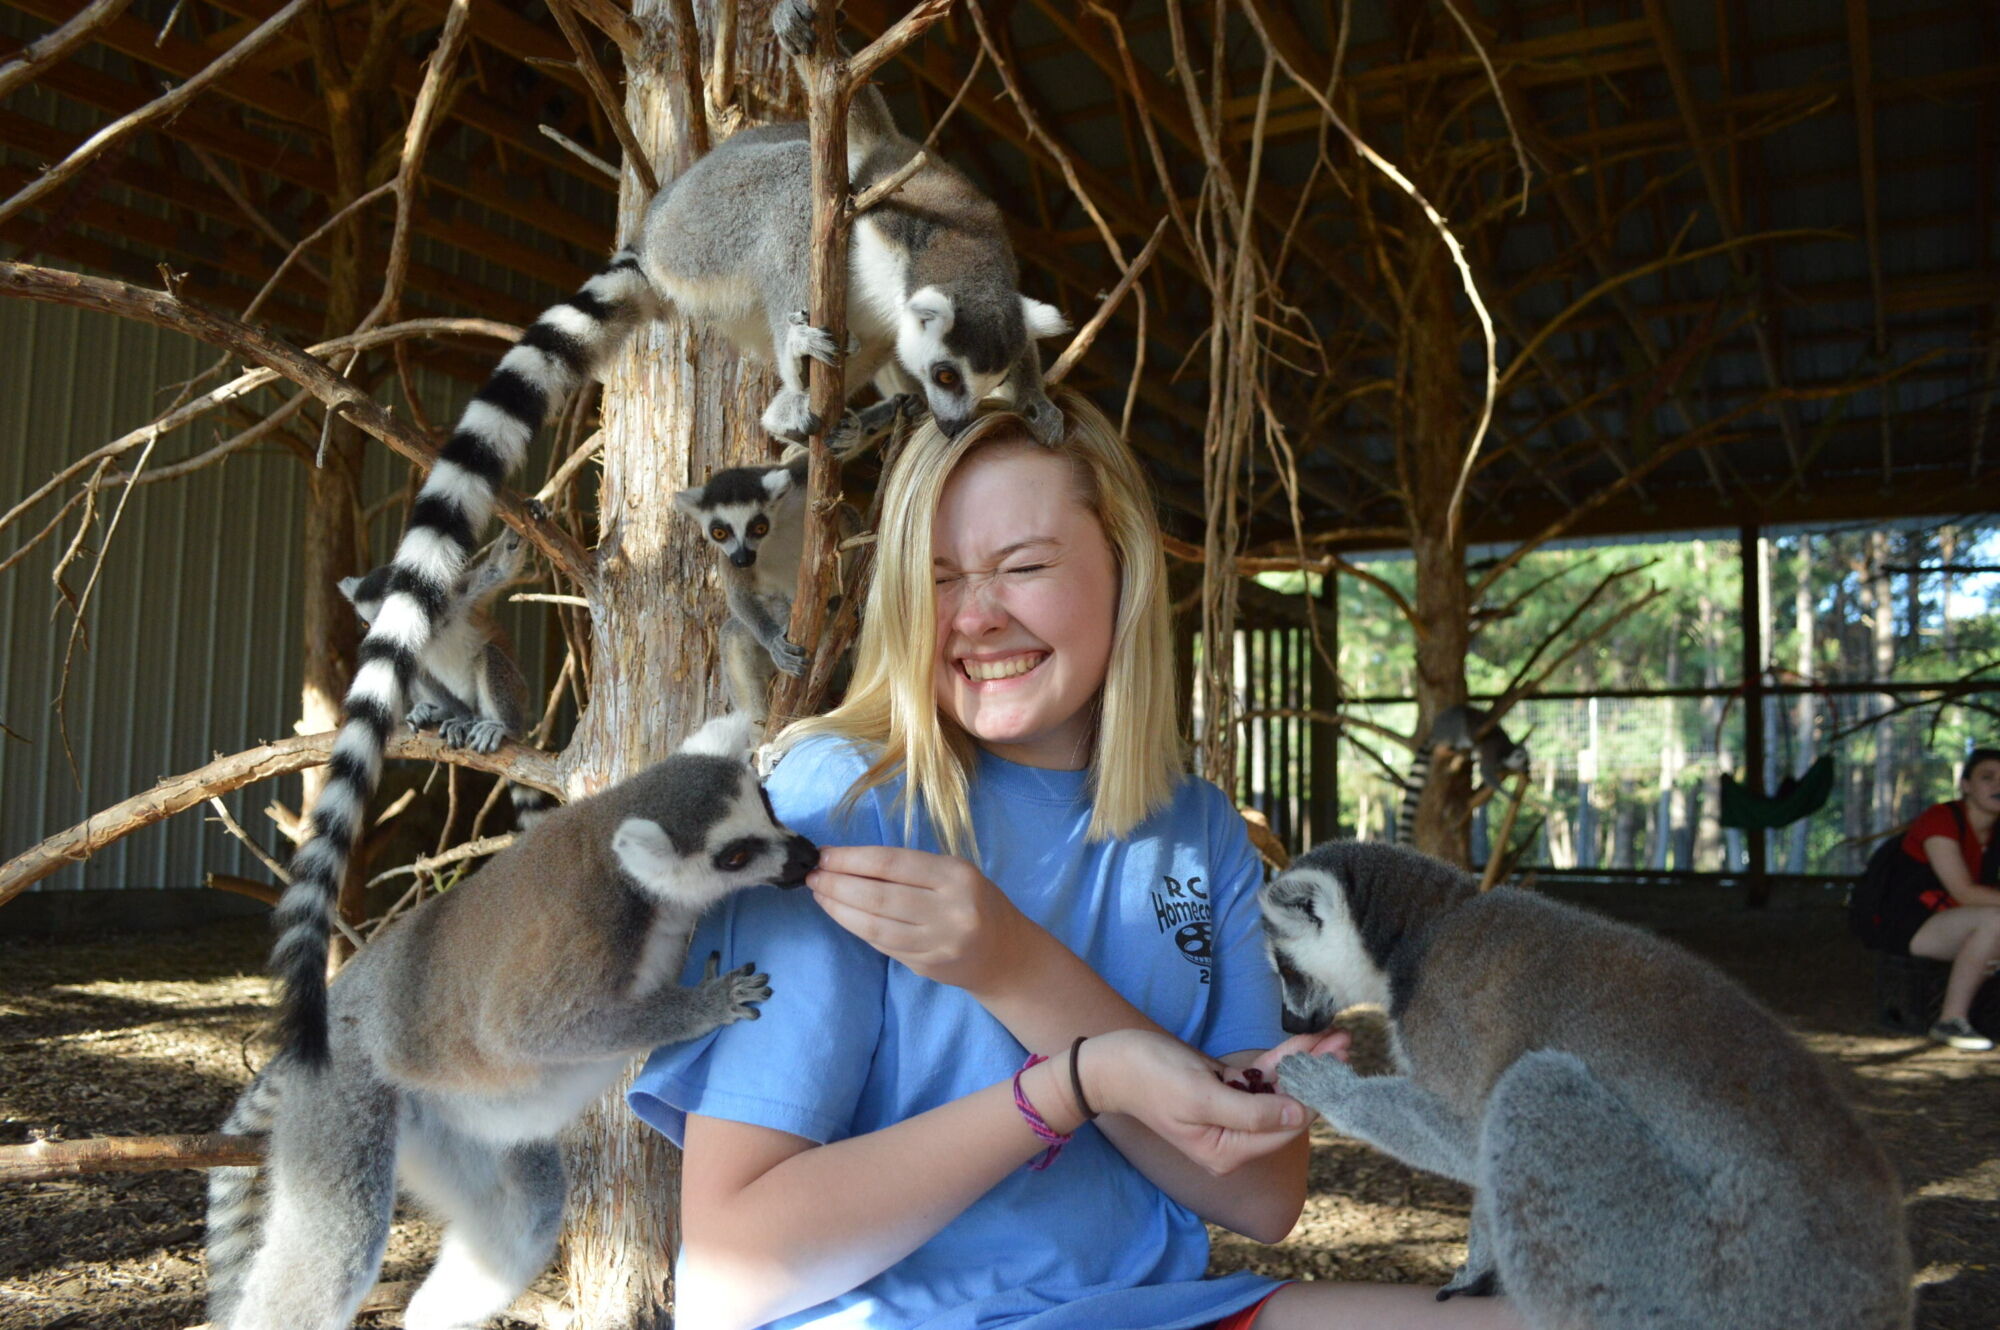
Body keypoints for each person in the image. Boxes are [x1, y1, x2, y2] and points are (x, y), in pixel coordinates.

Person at [627, 392, 1524, 1330]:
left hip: (1146, 1308)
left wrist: (1017, 971)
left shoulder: (1198, 828)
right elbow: (729, 1282)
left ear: (1125, 570)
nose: (974, 616)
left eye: (1023, 566)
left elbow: (1261, 1200)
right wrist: (1071, 1085)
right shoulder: (837, 805)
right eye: (936, 578)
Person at [1902, 747, 2000, 1050]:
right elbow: (1964, 892)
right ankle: (1950, 1020)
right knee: (1996, 919)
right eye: (1988, 778)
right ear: (1965, 785)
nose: (1999, 786)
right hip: (1912, 925)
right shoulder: (1941, 819)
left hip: (1966, 924)